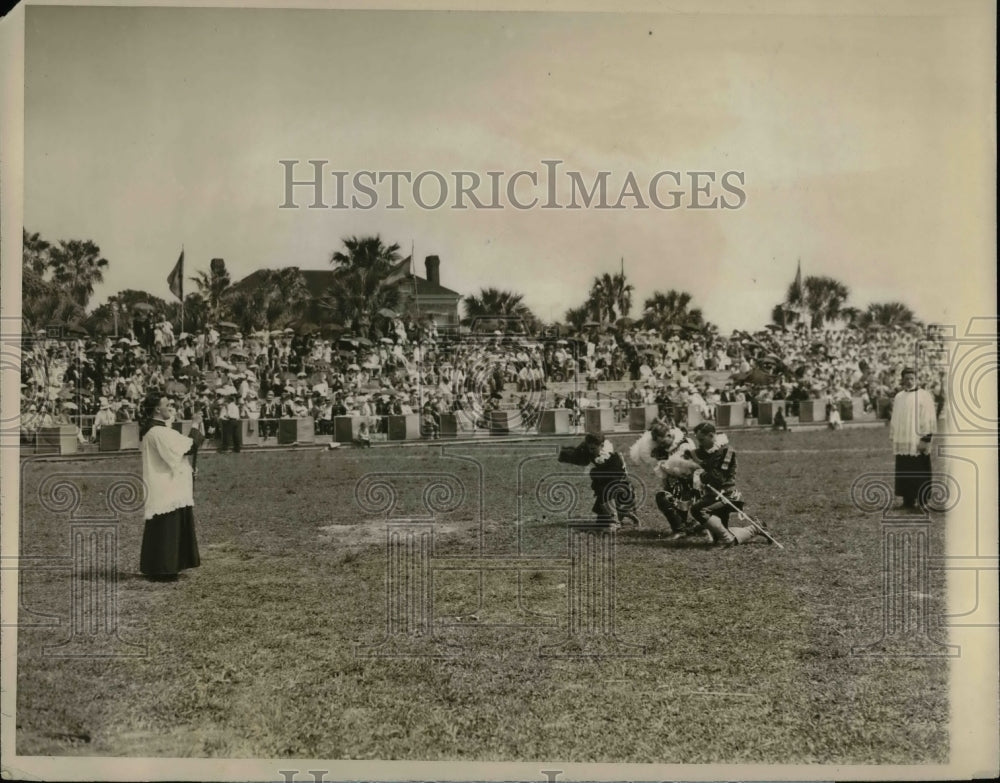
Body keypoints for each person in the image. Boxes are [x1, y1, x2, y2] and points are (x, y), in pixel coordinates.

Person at [138, 394, 202, 581]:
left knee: (166, 527)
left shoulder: (157, 431)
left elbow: (174, 456)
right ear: (158, 409)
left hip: (167, 483)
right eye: (168, 404)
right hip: (166, 486)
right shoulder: (159, 433)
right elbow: (191, 446)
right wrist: (196, 424)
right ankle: (164, 569)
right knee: (167, 527)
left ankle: (164, 566)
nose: (171, 407)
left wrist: (187, 468)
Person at [686, 422, 762, 547]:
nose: (699, 443)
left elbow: (718, 478)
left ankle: (729, 540)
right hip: (713, 495)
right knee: (718, 537)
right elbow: (696, 456)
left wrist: (699, 471)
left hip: (726, 494)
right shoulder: (708, 449)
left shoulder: (726, 451)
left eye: (701, 439)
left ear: (711, 435)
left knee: (698, 509)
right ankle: (756, 528)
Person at [559, 432, 643, 528]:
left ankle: (619, 515)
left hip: (621, 489)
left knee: (607, 487)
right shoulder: (592, 451)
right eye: (589, 448)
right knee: (601, 523)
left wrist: (595, 473)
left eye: (593, 449)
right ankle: (618, 514)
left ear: (602, 445)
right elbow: (579, 456)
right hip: (607, 491)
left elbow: (615, 479)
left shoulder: (613, 457)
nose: (591, 451)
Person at [890, 367, 937, 511]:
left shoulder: (924, 395)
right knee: (904, 469)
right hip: (904, 439)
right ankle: (908, 500)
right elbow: (895, 418)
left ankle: (923, 502)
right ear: (902, 380)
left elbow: (928, 418)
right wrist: (894, 435)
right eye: (906, 379)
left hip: (917, 440)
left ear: (916, 379)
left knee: (920, 470)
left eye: (912, 379)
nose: (909, 382)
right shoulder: (899, 396)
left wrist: (926, 438)